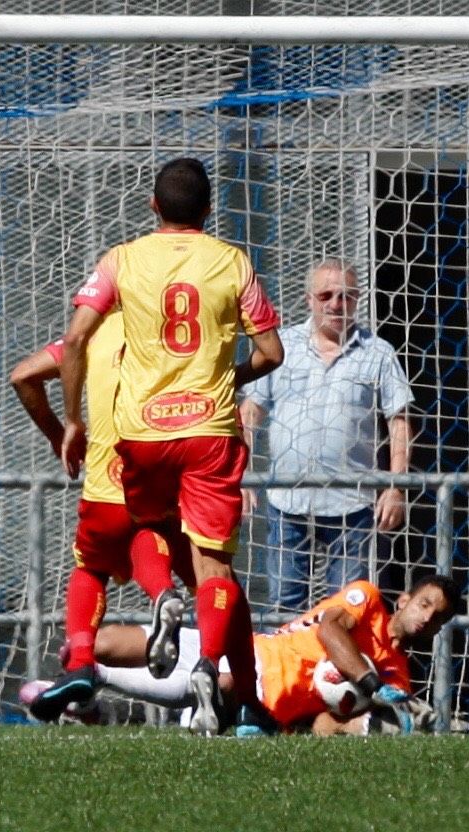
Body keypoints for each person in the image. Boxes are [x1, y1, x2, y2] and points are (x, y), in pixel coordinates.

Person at [60, 158, 284, 735]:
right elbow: (271, 352)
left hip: (143, 435)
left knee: (148, 530)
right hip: (209, 433)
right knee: (216, 570)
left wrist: (71, 419)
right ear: (210, 211)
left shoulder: (122, 259)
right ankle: (209, 666)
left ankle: (162, 600)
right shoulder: (232, 261)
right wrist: (227, 378)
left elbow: (79, 335)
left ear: (153, 207)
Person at [9, 310, 193, 722]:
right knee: (206, 575)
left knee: (91, 568)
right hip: (168, 468)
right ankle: (168, 599)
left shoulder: (95, 335)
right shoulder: (176, 334)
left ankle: (81, 662)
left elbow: (23, 376)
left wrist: (63, 435)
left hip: (107, 474)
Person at [21, 574, 459, 737]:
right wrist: (370, 685)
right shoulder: (367, 598)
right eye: (424, 605)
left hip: (261, 698)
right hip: (250, 649)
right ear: (404, 600)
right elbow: (329, 630)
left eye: (437, 618)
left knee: (221, 685)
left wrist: (374, 724)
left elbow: (331, 722)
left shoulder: (398, 677)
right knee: (95, 644)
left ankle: (87, 687)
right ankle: (85, 688)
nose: (427, 619)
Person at [240, 259, 414, 612]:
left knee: (345, 610)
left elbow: (399, 421)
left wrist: (396, 487)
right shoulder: (281, 348)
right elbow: (249, 412)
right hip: (288, 501)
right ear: (308, 299)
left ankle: (339, 669)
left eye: (347, 296)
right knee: (284, 607)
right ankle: (285, 669)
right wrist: (241, 475)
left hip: (351, 505)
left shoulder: (378, 353)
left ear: (358, 300)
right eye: (327, 294)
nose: (336, 303)